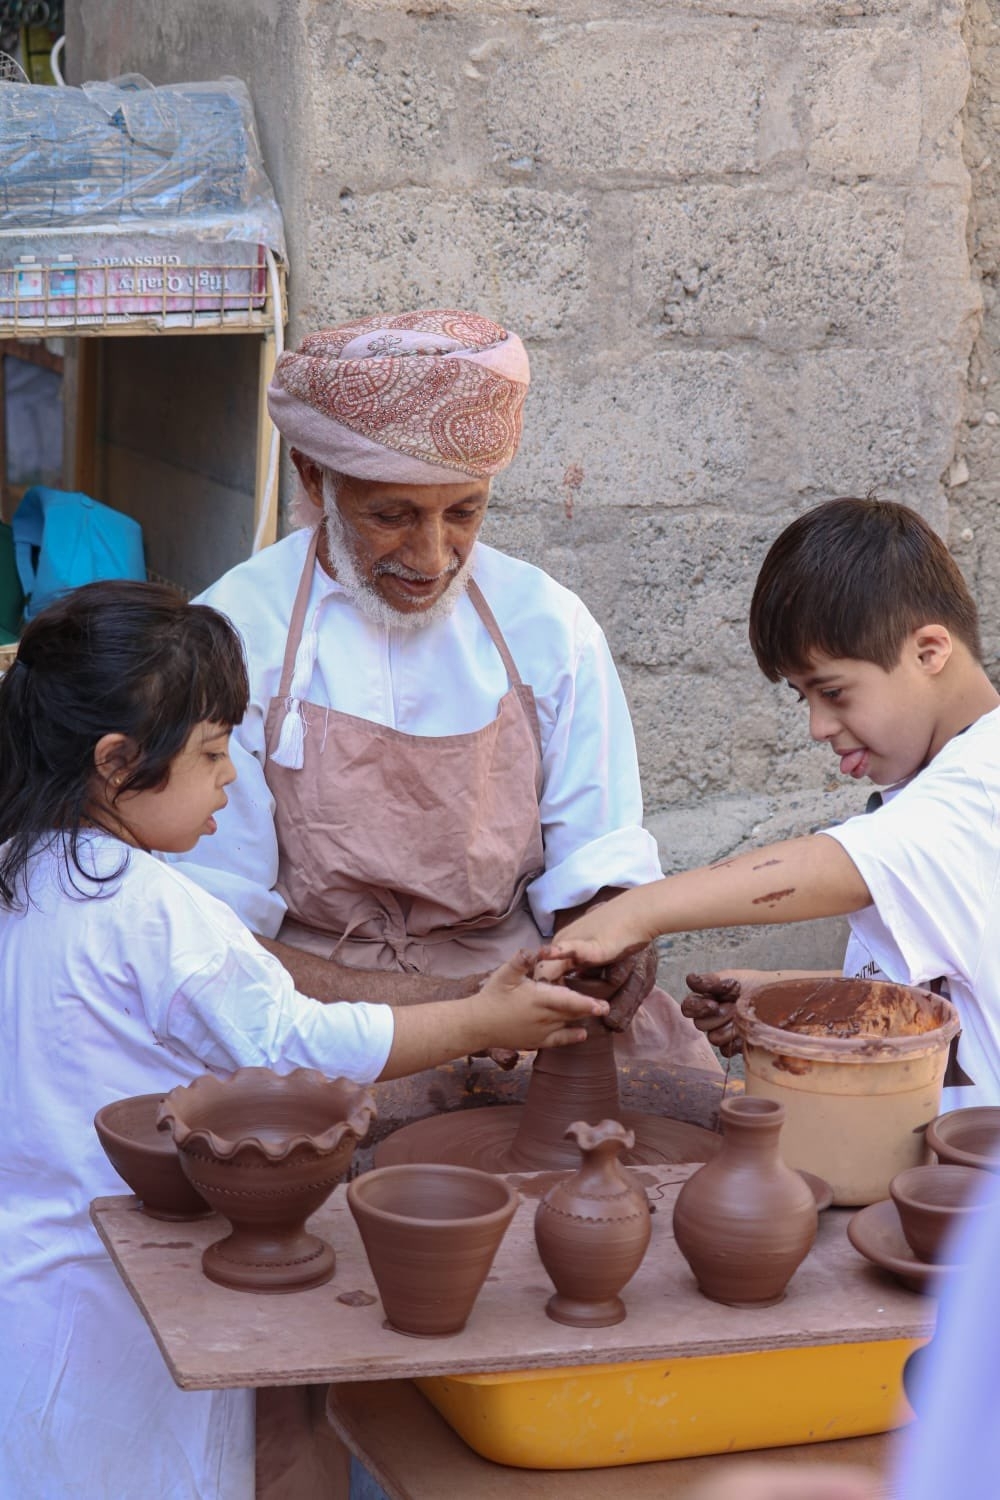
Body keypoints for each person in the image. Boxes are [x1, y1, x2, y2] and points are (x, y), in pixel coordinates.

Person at [0, 580, 607, 1500]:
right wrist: (481, 1020)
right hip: (122, 1292)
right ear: (118, 763)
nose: (231, 780)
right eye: (211, 756)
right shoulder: (153, 908)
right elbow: (300, 1043)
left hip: (25, 1274)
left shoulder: (20, 872)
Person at [173, 307, 716, 1068]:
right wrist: (463, 1013)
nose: (433, 556)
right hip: (316, 1010)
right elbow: (218, 938)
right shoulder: (235, 632)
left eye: (464, 512)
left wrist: (615, 937)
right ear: (313, 478)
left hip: (521, 992)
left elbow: (599, 863)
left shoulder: (549, 628)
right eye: (392, 515)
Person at [543, 497, 1000, 1107]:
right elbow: (944, 990)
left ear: (928, 652)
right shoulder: (931, 788)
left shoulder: (984, 783)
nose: (817, 725)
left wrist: (635, 912)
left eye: (833, 691)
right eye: (802, 698)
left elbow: (838, 867)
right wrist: (796, 997)